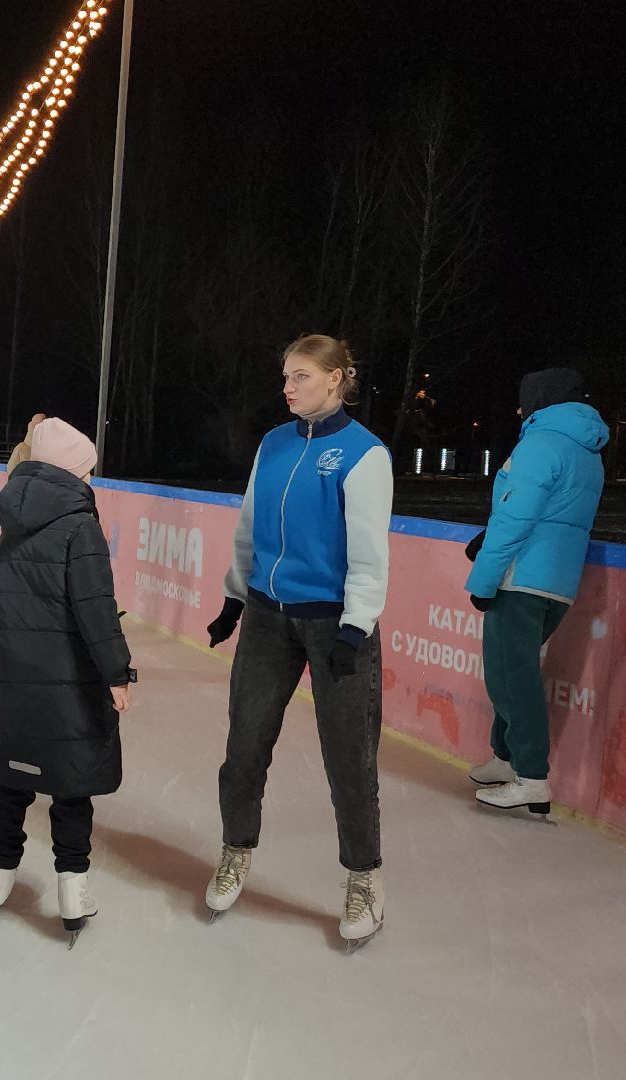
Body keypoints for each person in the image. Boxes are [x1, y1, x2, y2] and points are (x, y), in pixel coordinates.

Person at [203, 334, 393, 947]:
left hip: (335, 625)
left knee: (348, 760)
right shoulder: (274, 443)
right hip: (266, 617)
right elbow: (250, 526)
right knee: (244, 749)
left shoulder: (365, 454)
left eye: (301, 376)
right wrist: (235, 597)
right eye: (285, 375)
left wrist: (355, 627)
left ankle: (364, 878)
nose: (287, 387)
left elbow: (369, 555)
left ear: (337, 379)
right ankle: (235, 851)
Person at [0, 417, 134, 942]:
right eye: (87, 471)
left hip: (15, 677)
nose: (91, 481)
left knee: (13, 778)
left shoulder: (13, 518)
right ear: (73, 472)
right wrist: (117, 673)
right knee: (71, 784)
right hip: (68, 680)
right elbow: (96, 609)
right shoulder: (77, 525)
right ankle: (72, 890)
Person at [465, 368, 609, 816]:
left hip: (520, 577)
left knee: (511, 679)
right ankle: (505, 758)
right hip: (556, 582)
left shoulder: (540, 444)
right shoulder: (585, 449)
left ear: (540, 402)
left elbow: (515, 519)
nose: (519, 409)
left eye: (525, 401)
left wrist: (483, 581)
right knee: (513, 671)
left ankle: (530, 777)